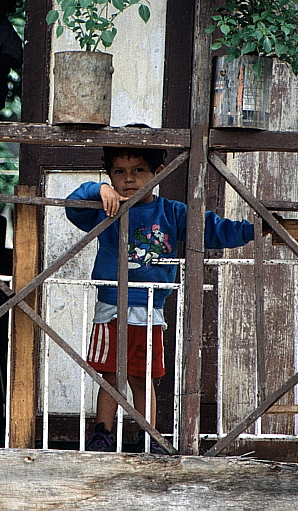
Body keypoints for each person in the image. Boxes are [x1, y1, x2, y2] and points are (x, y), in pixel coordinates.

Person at [65, 146, 265, 453]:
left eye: (139, 171)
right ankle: (101, 435)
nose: (129, 179)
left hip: (151, 309)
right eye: (119, 172)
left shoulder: (173, 213)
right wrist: (99, 189)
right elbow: (73, 206)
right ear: (110, 176)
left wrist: (255, 229)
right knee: (111, 374)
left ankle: (150, 437)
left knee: (144, 377)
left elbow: (215, 230)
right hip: (111, 307)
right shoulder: (105, 208)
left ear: (158, 173)